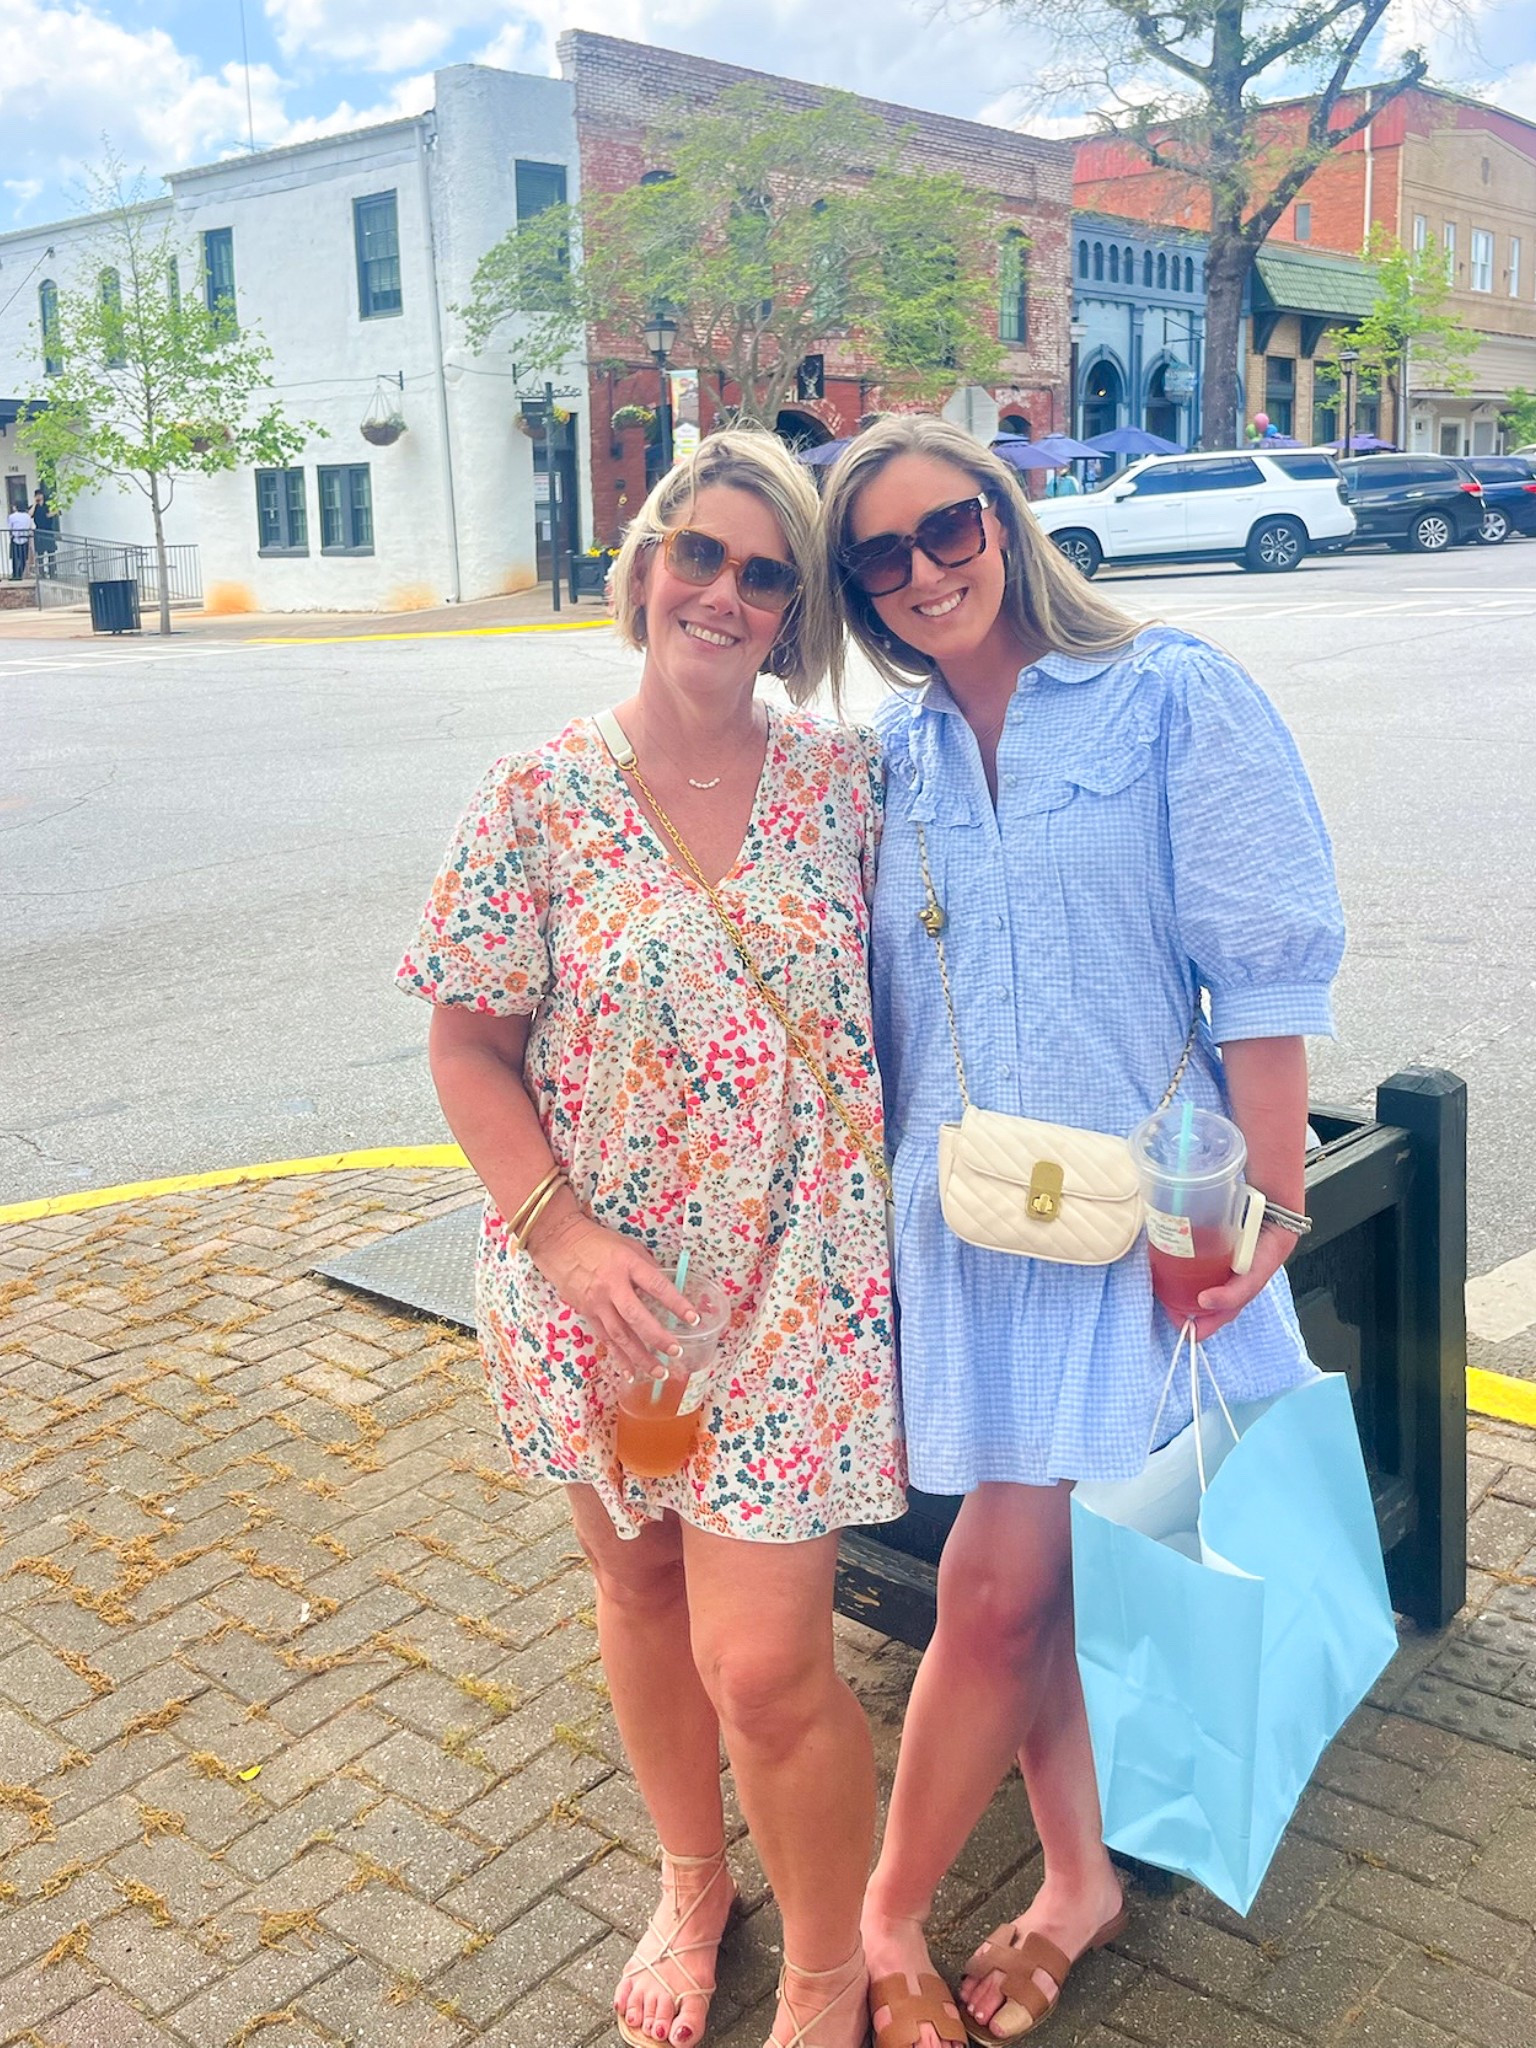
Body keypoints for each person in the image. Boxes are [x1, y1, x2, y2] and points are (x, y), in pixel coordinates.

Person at [820, 415, 1344, 2048]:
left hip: (1139, 1215)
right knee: (1042, 1579)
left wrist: (1269, 1191)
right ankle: (1075, 1877)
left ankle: (883, 1911)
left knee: (1001, 1589)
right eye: (881, 555)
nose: (925, 572)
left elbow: (1262, 964)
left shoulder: (1168, 692)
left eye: (949, 527)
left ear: (1005, 515)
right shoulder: (888, 758)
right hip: (975, 1226)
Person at [398, 428, 901, 2048]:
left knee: (763, 1665)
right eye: (701, 553)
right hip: (607, 1301)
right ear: (647, 563)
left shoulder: (848, 784)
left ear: (793, 611)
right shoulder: (537, 795)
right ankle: (694, 1882)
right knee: (637, 1588)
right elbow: (467, 1045)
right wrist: (560, 1238)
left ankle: (828, 1966)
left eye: (766, 573)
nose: (725, 593)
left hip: (802, 1294)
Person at [31, 488, 58, 577]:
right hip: (39, 531)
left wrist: (53, 512)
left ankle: (52, 572)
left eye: (39, 495)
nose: (38, 496)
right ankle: (41, 573)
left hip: (48, 530)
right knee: (40, 554)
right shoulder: (35, 507)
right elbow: (30, 514)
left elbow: (51, 513)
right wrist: (35, 503)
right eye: (36, 495)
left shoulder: (48, 505)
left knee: (51, 553)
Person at [7, 499, 33, 579]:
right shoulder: (28, 516)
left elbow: (10, 527)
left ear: (16, 507)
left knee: (15, 558)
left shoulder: (12, 516)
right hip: (25, 539)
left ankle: (15, 574)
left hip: (15, 538)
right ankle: (20, 574)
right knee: (23, 558)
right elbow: (29, 527)